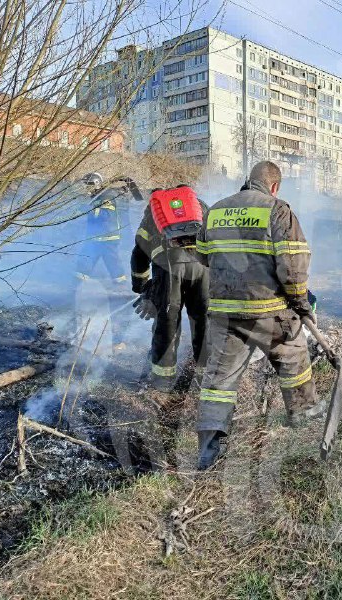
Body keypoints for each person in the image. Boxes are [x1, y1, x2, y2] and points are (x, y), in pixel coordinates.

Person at [194, 161, 319, 470]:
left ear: (248, 181)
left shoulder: (215, 211)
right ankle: (303, 418)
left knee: (219, 381)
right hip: (271, 313)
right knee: (294, 360)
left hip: (225, 314)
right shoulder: (278, 210)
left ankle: (209, 450)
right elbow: (292, 268)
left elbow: (202, 256)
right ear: (274, 186)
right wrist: (301, 306)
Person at [130, 185, 210, 390]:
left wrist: (141, 287)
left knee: (167, 322)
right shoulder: (200, 207)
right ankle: (206, 377)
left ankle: (163, 381)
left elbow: (139, 252)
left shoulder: (153, 213)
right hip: (202, 269)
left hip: (169, 270)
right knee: (203, 321)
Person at [75, 172, 131, 351]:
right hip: (96, 239)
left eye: (89, 185)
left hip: (107, 237)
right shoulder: (96, 196)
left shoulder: (105, 196)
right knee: (85, 262)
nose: (87, 188)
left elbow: (105, 216)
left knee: (113, 264)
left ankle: (121, 286)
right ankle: (77, 284)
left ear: (96, 184)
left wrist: (92, 208)